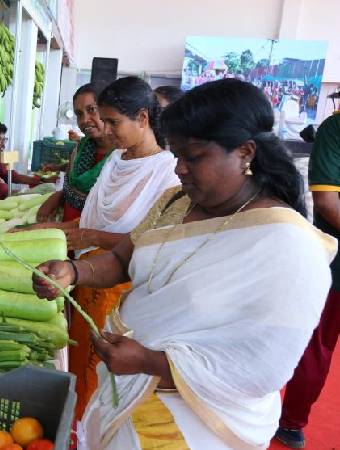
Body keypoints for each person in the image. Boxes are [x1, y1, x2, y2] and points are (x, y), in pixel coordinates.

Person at [33, 79, 335, 449]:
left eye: (192, 157)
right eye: (176, 155)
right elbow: (121, 258)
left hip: (196, 422)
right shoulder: (175, 202)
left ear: (245, 152)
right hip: (126, 384)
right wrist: (75, 271)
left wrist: (151, 362)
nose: (179, 169)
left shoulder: (288, 244)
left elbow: (260, 369)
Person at [32, 76, 180, 419]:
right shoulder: (115, 160)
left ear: (142, 118)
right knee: (81, 362)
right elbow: (88, 223)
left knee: (104, 374)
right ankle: (78, 424)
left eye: (114, 122)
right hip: (87, 279)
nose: (106, 129)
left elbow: (152, 242)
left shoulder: (167, 174)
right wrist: (48, 229)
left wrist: (94, 239)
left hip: (122, 292)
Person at [275, 112, 340, 448]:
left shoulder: (335, 128)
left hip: (335, 266)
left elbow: (328, 202)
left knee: (316, 346)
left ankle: (290, 424)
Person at [36, 83, 117, 224]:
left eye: (92, 110)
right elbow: (70, 186)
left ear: (108, 110)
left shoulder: (122, 158)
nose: (85, 120)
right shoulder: (80, 149)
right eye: (79, 114)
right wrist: (58, 196)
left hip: (92, 239)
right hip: (64, 236)